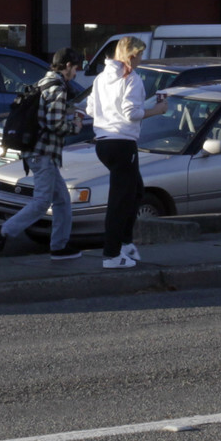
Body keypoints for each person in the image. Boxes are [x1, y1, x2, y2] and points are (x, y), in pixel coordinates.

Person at [0, 47, 86, 263]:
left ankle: (59, 247)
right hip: (43, 153)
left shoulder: (43, 83)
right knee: (42, 201)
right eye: (75, 68)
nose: (76, 73)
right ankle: (2, 231)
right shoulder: (58, 88)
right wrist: (76, 125)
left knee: (61, 200)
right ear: (68, 66)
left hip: (36, 152)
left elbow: (46, 115)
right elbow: (55, 124)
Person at [88, 34, 167, 269]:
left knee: (135, 191)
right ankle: (112, 254)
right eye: (141, 54)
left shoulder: (101, 78)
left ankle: (124, 243)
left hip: (103, 142)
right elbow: (131, 113)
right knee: (121, 199)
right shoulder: (132, 78)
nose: (142, 59)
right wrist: (157, 110)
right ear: (131, 56)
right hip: (123, 142)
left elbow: (91, 108)